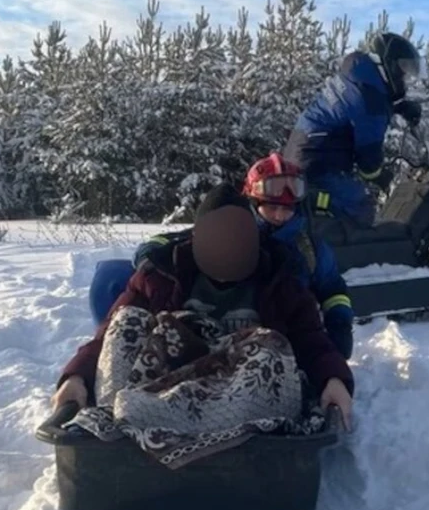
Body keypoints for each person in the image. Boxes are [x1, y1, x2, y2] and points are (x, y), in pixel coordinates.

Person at [52, 182, 354, 430]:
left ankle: (149, 421)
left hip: (240, 387)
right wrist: (77, 376)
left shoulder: (280, 279)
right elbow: (109, 334)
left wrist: (333, 379)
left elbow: (309, 338)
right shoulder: (161, 274)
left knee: (272, 345)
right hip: (167, 377)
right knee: (127, 320)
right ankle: (120, 415)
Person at [132, 153, 355, 359]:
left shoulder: (309, 248)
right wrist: (149, 258)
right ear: (254, 203)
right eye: (271, 207)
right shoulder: (230, 230)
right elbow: (172, 241)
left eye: (287, 209)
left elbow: (333, 287)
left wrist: (340, 323)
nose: (279, 215)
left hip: (285, 335)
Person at [282, 31, 426, 227]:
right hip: (317, 164)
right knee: (360, 207)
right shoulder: (370, 99)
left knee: (327, 206)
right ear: (388, 64)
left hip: (301, 153)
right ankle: (358, 257)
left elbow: (354, 111)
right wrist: (384, 177)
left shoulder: (358, 76)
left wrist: (397, 107)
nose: (404, 77)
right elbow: (368, 162)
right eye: (402, 68)